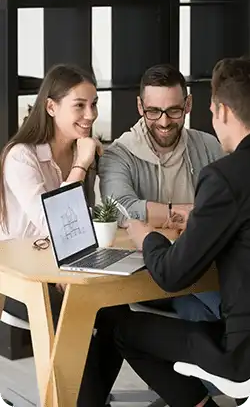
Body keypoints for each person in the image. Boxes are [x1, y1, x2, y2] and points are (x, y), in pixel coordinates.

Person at [115, 57, 250, 407]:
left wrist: (147, 236)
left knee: (122, 330)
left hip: (242, 354)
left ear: (219, 111)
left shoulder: (225, 175)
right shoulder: (123, 152)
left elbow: (172, 274)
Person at [0, 63, 128, 407]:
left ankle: (87, 400)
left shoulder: (82, 149)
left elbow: (100, 215)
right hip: (23, 277)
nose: (90, 114)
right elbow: (52, 222)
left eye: (94, 104)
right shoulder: (21, 156)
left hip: (69, 268)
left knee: (120, 316)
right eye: (80, 105)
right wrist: (81, 166)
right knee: (75, 319)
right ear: (51, 107)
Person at [99, 64, 222, 321]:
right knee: (204, 313)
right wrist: (187, 214)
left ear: (188, 104)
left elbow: (226, 207)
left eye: (174, 111)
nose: (164, 122)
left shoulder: (208, 145)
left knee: (206, 312)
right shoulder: (119, 153)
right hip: (148, 271)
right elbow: (120, 207)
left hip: (202, 264)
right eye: (153, 112)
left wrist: (159, 220)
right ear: (140, 107)